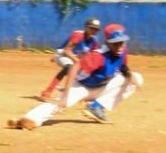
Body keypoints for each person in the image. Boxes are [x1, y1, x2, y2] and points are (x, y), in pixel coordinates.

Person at [8, 23, 144, 130]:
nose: (120, 46)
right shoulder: (98, 56)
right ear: (108, 42)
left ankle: (97, 106)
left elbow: (124, 68)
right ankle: (28, 119)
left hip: (101, 86)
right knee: (61, 104)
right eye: (116, 43)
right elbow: (74, 67)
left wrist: (132, 81)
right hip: (82, 87)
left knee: (135, 78)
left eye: (122, 42)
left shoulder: (122, 52)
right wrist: (66, 93)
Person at [37, 17, 102, 101]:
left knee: (87, 72)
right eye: (92, 28)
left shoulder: (94, 41)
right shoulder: (79, 35)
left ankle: (69, 91)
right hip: (63, 55)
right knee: (70, 67)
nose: (94, 31)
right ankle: (46, 92)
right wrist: (79, 62)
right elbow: (66, 51)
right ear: (86, 27)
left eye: (96, 29)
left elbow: (91, 56)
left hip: (74, 58)